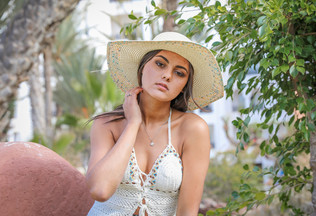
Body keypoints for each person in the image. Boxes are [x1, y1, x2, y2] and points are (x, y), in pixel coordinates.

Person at [86, 32, 224, 216]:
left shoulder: (192, 129)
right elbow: (100, 190)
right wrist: (133, 123)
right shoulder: (106, 125)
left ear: (184, 85)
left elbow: (187, 212)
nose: (167, 75)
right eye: (160, 64)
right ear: (143, 67)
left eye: (179, 73)